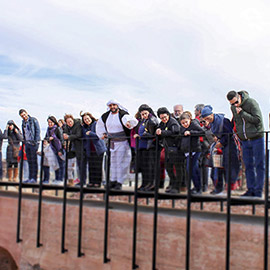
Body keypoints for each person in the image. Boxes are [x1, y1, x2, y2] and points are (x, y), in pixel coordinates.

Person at [227, 90, 265, 197]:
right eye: (232, 104)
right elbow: (237, 122)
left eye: (236, 102)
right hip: (244, 140)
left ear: (239, 96)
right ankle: (250, 189)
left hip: (257, 138)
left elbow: (257, 120)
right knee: (248, 165)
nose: (235, 105)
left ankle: (258, 191)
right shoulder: (233, 107)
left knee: (259, 165)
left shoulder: (251, 103)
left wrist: (243, 113)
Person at [96, 99, 138, 190]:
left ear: (117, 105)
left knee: (121, 163)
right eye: (110, 106)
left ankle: (119, 182)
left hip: (122, 142)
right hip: (112, 143)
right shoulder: (105, 116)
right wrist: (102, 134)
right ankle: (113, 180)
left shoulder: (122, 114)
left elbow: (131, 121)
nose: (112, 107)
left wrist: (128, 123)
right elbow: (100, 125)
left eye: (114, 105)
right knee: (113, 163)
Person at [201, 105, 240, 194]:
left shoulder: (223, 120)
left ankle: (229, 188)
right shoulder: (212, 123)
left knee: (228, 168)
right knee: (218, 168)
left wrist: (221, 142)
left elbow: (229, 134)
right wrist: (217, 140)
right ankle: (218, 188)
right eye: (205, 119)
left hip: (229, 147)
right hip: (220, 148)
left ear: (211, 114)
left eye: (208, 118)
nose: (207, 121)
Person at [156, 107, 183, 193]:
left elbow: (175, 132)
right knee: (169, 168)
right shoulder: (162, 123)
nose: (164, 119)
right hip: (168, 148)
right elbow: (159, 130)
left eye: (165, 117)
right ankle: (173, 185)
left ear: (168, 115)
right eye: (162, 118)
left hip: (176, 148)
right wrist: (158, 131)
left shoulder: (173, 122)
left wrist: (163, 132)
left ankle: (177, 187)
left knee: (178, 169)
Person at [133, 104, 159, 191]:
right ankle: (144, 184)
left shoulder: (152, 120)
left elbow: (152, 135)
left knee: (150, 167)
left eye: (145, 113)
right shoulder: (143, 121)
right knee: (144, 167)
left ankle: (151, 184)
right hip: (142, 146)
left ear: (149, 112)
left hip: (150, 146)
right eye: (142, 114)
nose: (144, 115)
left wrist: (142, 135)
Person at [179, 112, 205, 194]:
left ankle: (198, 188)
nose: (185, 124)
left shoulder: (194, 124)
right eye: (183, 123)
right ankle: (196, 188)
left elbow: (202, 132)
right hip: (187, 151)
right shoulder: (182, 128)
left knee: (192, 169)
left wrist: (191, 133)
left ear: (189, 120)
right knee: (192, 169)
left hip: (195, 150)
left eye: (186, 122)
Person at [80, 111, 107, 187]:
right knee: (91, 166)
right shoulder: (84, 128)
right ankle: (91, 181)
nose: (87, 120)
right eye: (85, 119)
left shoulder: (96, 124)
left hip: (98, 149)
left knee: (98, 166)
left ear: (91, 118)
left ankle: (97, 183)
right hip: (90, 149)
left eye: (87, 118)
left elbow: (99, 135)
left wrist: (90, 133)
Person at [19, 109, 41, 183]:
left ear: (27, 113)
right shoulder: (23, 123)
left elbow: (37, 130)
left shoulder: (33, 120)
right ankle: (30, 177)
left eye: (24, 114)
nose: (24, 116)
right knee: (29, 161)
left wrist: (35, 141)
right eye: (22, 116)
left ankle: (34, 178)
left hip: (34, 143)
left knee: (34, 161)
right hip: (27, 144)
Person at [63, 114, 83, 186]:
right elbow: (64, 131)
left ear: (73, 120)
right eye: (68, 122)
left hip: (78, 147)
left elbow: (78, 135)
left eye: (70, 121)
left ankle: (80, 180)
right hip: (71, 148)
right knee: (69, 166)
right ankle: (70, 180)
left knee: (78, 165)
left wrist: (68, 137)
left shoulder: (78, 125)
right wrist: (65, 134)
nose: (70, 123)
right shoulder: (67, 126)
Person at [45, 116, 65, 184]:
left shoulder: (57, 129)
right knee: (55, 164)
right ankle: (56, 178)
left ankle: (61, 179)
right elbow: (46, 138)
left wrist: (61, 150)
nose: (50, 124)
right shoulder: (48, 129)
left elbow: (61, 139)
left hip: (59, 148)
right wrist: (49, 139)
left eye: (51, 122)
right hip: (52, 149)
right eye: (49, 122)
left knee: (61, 164)